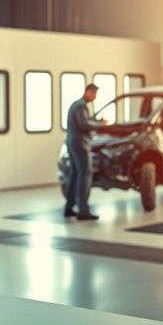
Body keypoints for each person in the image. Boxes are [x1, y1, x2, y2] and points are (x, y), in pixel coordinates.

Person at [64, 83, 103, 221]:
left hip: (72, 143)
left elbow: (84, 120)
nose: (95, 97)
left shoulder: (76, 105)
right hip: (80, 145)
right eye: (94, 94)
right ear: (88, 92)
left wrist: (96, 120)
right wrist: (100, 125)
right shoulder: (81, 106)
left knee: (75, 175)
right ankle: (83, 210)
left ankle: (69, 208)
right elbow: (84, 124)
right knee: (84, 175)